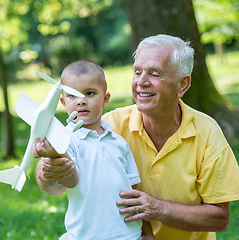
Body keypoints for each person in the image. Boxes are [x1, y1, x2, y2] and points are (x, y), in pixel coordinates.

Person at [35, 34, 239, 240]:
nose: (141, 82)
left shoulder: (206, 131)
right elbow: (59, 181)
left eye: (154, 74)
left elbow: (219, 218)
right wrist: (46, 171)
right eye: (137, 72)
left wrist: (157, 209)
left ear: (182, 85)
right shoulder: (109, 127)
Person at [33, 60, 154, 239]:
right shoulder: (66, 142)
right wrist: (56, 155)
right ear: (63, 102)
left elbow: (135, 192)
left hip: (128, 234)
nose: (81, 101)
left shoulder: (119, 142)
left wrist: (147, 233)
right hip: (86, 235)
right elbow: (71, 180)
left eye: (89, 93)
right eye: (72, 96)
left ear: (105, 99)